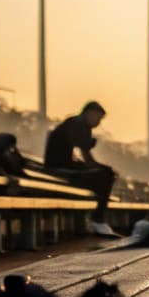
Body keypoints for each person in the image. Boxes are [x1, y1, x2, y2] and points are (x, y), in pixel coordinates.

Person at [45, 101, 118, 236]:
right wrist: (102, 169)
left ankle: (98, 218)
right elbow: (87, 157)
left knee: (105, 173)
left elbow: (84, 155)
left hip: (61, 165)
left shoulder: (75, 123)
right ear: (89, 113)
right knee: (106, 176)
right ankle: (98, 219)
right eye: (98, 118)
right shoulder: (79, 124)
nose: (99, 122)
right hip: (60, 168)